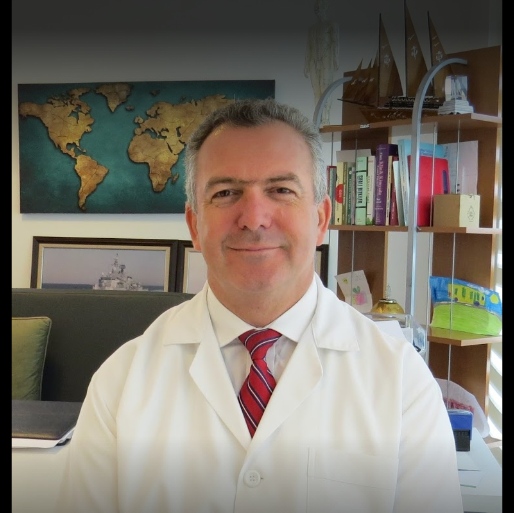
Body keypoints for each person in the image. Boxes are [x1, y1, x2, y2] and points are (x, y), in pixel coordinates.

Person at [58, 98, 463, 513]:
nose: (254, 218)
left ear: (321, 220)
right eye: (226, 192)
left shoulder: (402, 383)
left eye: (281, 190)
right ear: (195, 226)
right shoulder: (120, 382)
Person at [304, 0, 339, 126]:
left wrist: (335, 60)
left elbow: (335, 43)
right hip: (313, 61)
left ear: (325, 7)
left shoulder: (331, 25)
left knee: (326, 89)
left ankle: (326, 118)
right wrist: (306, 64)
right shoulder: (312, 29)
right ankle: (317, 119)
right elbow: (309, 47)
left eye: (320, 7)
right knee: (317, 91)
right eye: (316, 8)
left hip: (326, 60)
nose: (318, 10)